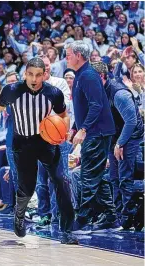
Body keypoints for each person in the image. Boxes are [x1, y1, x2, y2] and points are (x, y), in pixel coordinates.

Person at [0, 57, 77, 244]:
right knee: (27, 187)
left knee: (61, 181)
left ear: (44, 75)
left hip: (46, 141)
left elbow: (64, 116)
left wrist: (63, 131)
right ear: (25, 74)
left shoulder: (54, 93)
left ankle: (67, 230)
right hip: (22, 143)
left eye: (38, 75)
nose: (34, 79)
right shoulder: (12, 90)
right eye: (30, 74)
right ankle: (19, 216)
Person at [66, 41, 121, 233]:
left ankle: (83, 219)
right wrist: (75, 127)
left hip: (97, 133)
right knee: (96, 176)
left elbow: (97, 105)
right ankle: (111, 217)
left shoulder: (88, 75)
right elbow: (84, 107)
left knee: (88, 175)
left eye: (69, 54)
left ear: (79, 56)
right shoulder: (82, 75)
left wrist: (84, 129)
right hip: (94, 131)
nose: (66, 57)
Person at [92, 61, 144, 230]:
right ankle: (119, 216)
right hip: (115, 134)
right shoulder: (99, 89)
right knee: (113, 177)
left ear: (100, 77)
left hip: (132, 134)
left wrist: (120, 143)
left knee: (124, 176)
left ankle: (130, 218)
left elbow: (131, 121)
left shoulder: (120, 94)